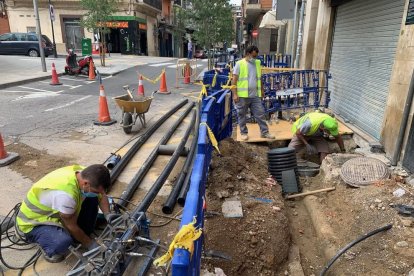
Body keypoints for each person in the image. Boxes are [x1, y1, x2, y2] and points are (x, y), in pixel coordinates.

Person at [16, 164, 116, 263]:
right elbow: (71, 226)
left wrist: (108, 214)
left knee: (92, 199)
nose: (99, 193)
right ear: (85, 184)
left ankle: (78, 235)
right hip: (34, 222)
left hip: (58, 210)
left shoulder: (85, 173)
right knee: (63, 242)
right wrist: (90, 244)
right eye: (96, 191)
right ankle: (44, 243)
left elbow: (102, 194)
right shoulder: (66, 195)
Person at [232, 45, 275, 141]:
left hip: (255, 95)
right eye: (253, 56)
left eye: (256, 56)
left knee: (260, 114)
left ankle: (265, 132)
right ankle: (243, 133)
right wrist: (235, 94)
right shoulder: (239, 64)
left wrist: (262, 90)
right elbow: (234, 80)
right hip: (242, 96)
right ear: (248, 54)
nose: (255, 58)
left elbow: (259, 78)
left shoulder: (257, 63)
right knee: (241, 115)